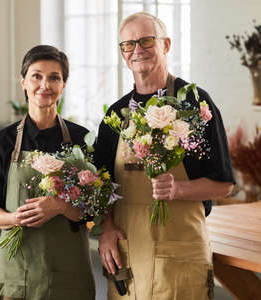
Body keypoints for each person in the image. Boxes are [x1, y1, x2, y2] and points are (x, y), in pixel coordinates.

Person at [94, 12, 235, 300]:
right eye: (128, 44)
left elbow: (224, 184)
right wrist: (106, 229)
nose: (137, 50)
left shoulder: (195, 103)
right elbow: (101, 186)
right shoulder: (116, 115)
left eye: (146, 40)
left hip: (180, 257)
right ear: (122, 53)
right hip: (129, 256)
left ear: (166, 44)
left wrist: (179, 188)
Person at [0, 45, 95, 300]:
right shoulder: (3, 141)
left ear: (63, 85)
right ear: (23, 82)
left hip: (69, 272)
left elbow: (92, 210)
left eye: (54, 77)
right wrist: (15, 219)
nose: (45, 84)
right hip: (17, 271)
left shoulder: (81, 139)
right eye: (36, 76)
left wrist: (59, 206)